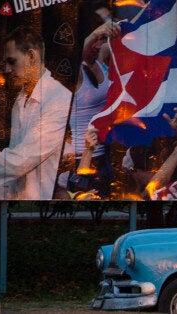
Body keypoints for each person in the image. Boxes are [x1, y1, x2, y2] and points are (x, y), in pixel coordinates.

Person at [0, 26, 72, 200]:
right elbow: (14, 168)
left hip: (43, 204)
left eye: (11, 62)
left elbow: (21, 160)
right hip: (18, 203)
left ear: (31, 56)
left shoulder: (59, 99)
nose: (6, 70)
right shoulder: (20, 101)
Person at [66, 20, 121, 200]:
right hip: (81, 158)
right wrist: (97, 31)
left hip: (103, 155)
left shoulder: (98, 58)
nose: (98, 45)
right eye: (95, 40)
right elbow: (72, 56)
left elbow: (126, 36)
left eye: (101, 40)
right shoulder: (75, 71)